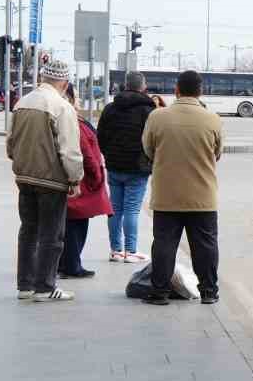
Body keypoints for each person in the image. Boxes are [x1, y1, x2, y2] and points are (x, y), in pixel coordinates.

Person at [140, 69, 223, 305]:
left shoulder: (157, 117)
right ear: (201, 91)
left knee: (165, 243)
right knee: (205, 245)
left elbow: (148, 148)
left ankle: (159, 293)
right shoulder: (212, 119)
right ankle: (208, 291)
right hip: (202, 195)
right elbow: (217, 153)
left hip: (167, 195)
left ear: (176, 89)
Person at [7, 58, 84, 302]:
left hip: (24, 176)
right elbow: (69, 150)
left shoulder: (22, 102)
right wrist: (75, 179)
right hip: (51, 180)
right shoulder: (61, 107)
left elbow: (10, 144)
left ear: (43, 77)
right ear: (64, 82)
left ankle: (25, 286)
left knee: (28, 231)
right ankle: (45, 287)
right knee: (52, 235)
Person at [96, 70, 155, 263]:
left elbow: (101, 137)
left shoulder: (111, 108)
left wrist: (109, 155)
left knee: (115, 208)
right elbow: (153, 140)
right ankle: (130, 251)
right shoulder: (148, 111)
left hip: (114, 166)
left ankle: (115, 250)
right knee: (132, 209)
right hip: (138, 167)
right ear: (143, 87)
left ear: (125, 86)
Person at [59, 85, 112, 279]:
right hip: (82, 181)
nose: (80, 101)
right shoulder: (74, 122)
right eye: (78, 97)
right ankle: (71, 266)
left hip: (77, 179)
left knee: (70, 224)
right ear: (71, 99)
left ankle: (66, 264)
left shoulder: (69, 120)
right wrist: (96, 175)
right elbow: (86, 153)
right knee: (76, 224)